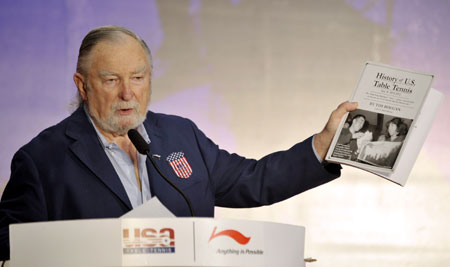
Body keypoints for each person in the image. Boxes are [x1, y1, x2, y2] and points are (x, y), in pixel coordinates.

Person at [0, 25, 357, 260]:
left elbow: (254, 181)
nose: (128, 93)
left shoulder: (180, 136)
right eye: (111, 80)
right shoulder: (42, 159)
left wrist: (324, 144)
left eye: (138, 77)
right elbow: (9, 246)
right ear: (82, 85)